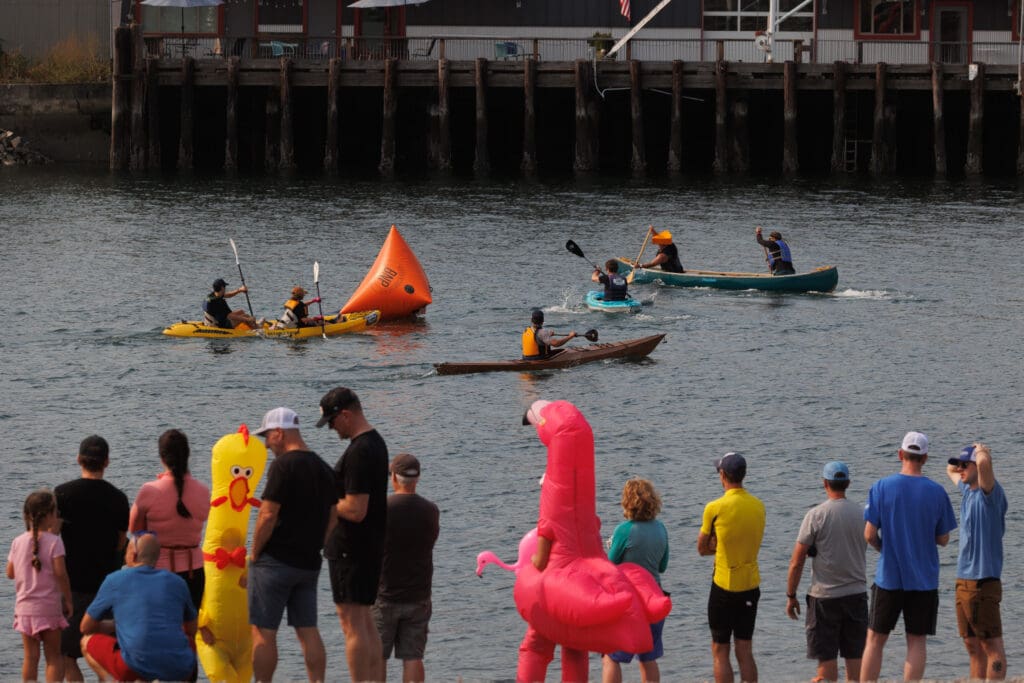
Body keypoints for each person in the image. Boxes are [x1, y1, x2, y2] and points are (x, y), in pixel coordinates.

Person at [860, 431, 957, 683]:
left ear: (900, 454)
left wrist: (886, 549)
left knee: (875, 639)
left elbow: (869, 534)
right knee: (916, 639)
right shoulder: (937, 492)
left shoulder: (881, 487)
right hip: (923, 578)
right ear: (925, 458)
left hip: (889, 576)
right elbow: (944, 539)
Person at [249, 406, 338, 682]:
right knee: (307, 629)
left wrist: (254, 554)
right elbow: (334, 514)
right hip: (309, 562)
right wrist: (319, 543)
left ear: (279, 432)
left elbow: (267, 514)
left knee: (263, 631)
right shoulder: (324, 468)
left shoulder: (282, 466)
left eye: (267, 436)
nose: (266, 443)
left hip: (274, 562)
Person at [318, 386, 389, 683]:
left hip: (351, 548)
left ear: (345, 415)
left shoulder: (360, 451)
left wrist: (324, 502)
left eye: (332, 422)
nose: (332, 429)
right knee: (366, 623)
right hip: (369, 546)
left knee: (352, 625)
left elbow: (357, 508)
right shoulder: (376, 443)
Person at [55, 435, 130, 682]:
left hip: (71, 586)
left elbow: (53, 538)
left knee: (66, 655)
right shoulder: (118, 498)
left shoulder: (62, 494)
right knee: (106, 654)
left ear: (79, 459)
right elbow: (121, 543)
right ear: (106, 462)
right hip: (106, 586)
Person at [785, 461, 868, 683]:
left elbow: (797, 561)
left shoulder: (815, 515)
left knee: (826, 664)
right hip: (856, 595)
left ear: (825, 483)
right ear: (848, 483)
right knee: (856, 663)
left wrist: (791, 596)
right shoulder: (862, 514)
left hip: (824, 598)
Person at [80, 532, 198, 681]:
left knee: (86, 641)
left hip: (131, 666)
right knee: (189, 643)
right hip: (178, 666)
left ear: (134, 554)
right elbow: (192, 629)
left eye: (127, 550)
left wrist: (117, 625)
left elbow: (85, 627)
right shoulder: (177, 582)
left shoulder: (115, 580)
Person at [697, 452, 765, 683]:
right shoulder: (758, 506)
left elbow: (701, 548)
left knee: (720, 650)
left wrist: (716, 547)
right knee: (745, 649)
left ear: (723, 475)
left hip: (724, 586)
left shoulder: (714, 507)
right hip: (750, 585)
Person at [373, 453, 440, 683]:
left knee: (377, 656)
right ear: (417, 479)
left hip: (385, 594)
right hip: (419, 595)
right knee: (413, 658)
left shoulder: (381, 509)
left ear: (393, 478)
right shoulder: (431, 510)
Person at [129, 428, 211, 612]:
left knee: (159, 626)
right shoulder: (203, 491)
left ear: (161, 457)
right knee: (189, 630)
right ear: (187, 455)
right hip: (194, 572)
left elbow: (134, 529)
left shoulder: (149, 490)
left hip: (158, 570)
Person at [945, 443, 1007, 680]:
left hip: (983, 581)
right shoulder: (967, 490)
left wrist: (982, 452)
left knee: (992, 647)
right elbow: (949, 469)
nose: (959, 469)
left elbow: (982, 465)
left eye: (964, 465)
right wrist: (963, 460)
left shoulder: (989, 493)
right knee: (972, 645)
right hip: (964, 580)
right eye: (960, 464)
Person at [602, 477, 669, 683]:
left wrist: (610, 546)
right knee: (648, 657)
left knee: (611, 656)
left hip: (630, 601)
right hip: (655, 598)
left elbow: (609, 566)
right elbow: (662, 566)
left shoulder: (624, 530)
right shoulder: (660, 528)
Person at [6, 490, 72, 683]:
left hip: (24, 608)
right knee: (53, 657)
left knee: (30, 658)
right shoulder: (55, 541)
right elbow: (60, 573)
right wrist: (68, 600)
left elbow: (10, 573)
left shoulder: (18, 541)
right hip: (49, 607)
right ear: (51, 515)